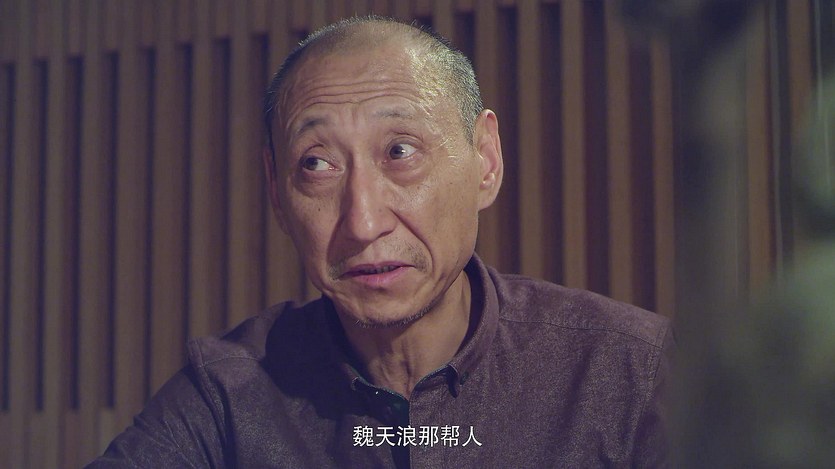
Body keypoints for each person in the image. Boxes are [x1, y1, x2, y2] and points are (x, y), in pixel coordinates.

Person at [88, 16, 673, 468]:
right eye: (316, 164)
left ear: (486, 160)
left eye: (399, 152)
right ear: (276, 191)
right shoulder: (230, 394)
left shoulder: (626, 371)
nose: (363, 223)